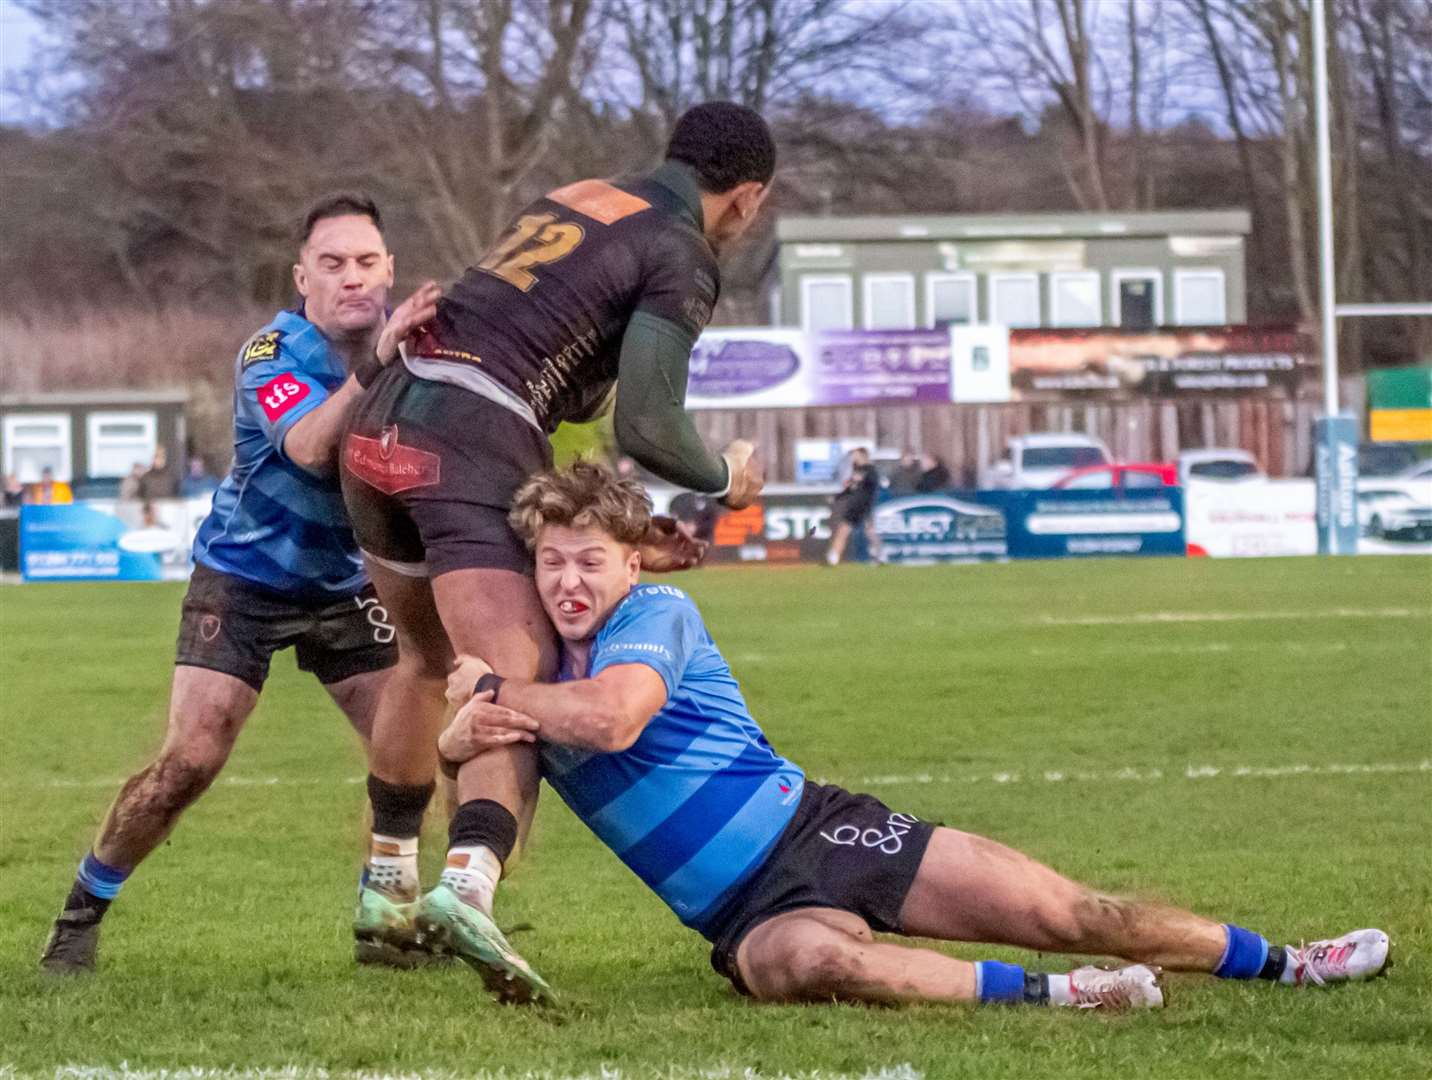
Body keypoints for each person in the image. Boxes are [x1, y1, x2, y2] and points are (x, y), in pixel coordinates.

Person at [434, 460, 1391, 1010]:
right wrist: (457, 739)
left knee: (1076, 913)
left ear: (629, 560)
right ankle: (1071, 998)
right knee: (803, 968)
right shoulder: (523, 668)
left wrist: (489, 693)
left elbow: (612, 719)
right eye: (551, 561)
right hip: (742, 916)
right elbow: (479, 769)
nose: (568, 580)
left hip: (820, 833)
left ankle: (1288, 960)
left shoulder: (655, 615)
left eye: (589, 561)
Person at [340, 101, 773, 999]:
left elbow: (572, 395)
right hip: (470, 433)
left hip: (383, 419)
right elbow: (649, 428)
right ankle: (466, 885)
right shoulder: (683, 251)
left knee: (423, 661)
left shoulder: (578, 196)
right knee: (512, 675)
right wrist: (727, 475)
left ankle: (385, 887)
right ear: (746, 199)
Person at [39, 193, 440, 974]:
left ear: (389, 269)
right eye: (332, 265)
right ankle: (83, 908)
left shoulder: (423, 349)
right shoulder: (271, 352)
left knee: (409, 748)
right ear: (303, 278)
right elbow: (313, 447)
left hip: (348, 583)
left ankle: (386, 921)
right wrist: (380, 360)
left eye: (366, 262)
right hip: (244, 576)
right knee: (189, 762)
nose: (351, 278)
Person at [825, 447, 881, 566]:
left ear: (861, 456)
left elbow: (872, 486)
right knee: (845, 530)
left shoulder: (870, 470)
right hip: (856, 505)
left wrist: (861, 480)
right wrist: (836, 497)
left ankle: (879, 555)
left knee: (868, 531)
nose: (852, 458)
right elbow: (850, 488)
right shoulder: (857, 470)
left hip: (863, 505)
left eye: (855, 455)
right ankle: (833, 558)